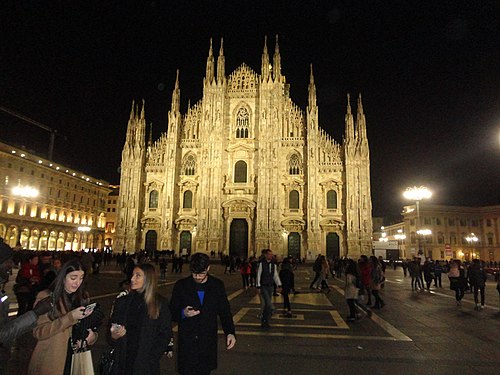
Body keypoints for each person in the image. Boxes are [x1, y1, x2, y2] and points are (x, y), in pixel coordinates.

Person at [28, 260, 98, 375]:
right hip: (51, 359)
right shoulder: (46, 297)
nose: (77, 283)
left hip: (74, 359)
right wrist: (69, 318)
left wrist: (91, 337)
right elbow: (38, 332)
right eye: (73, 278)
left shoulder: (82, 297)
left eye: (81, 278)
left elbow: (87, 326)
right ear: (63, 277)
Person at [170, 253, 236, 375]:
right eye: (195, 274)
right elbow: (172, 311)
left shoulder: (217, 285)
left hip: (207, 340)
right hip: (187, 342)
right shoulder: (181, 285)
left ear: (208, 268)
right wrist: (183, 313)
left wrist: (230, 332)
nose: (198, 277)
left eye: (201, 274)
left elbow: (225, 311)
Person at [109, 263, 173, 374]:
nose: (132, 278)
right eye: (132, 275)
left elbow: (165, 333)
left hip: (145, 363)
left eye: (138, 275)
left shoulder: (159, 303)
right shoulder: (122, 301)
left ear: (148, 279)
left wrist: (152, 357)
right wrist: (114, 335)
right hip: (123, 360)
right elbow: (112, 328)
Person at [256, 249, 282, 329]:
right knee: (268, 303)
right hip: (263, 285)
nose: (271, 256)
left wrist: (279, 284)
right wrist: (258, 286)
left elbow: (275, 275)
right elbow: (259, 275)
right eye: (270, 254)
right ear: (266, 255)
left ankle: (265, 321)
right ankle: (271, 311)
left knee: (267, 305)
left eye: (272, 254)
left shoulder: (273, 264)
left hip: (270, 286)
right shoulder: (261, 264)